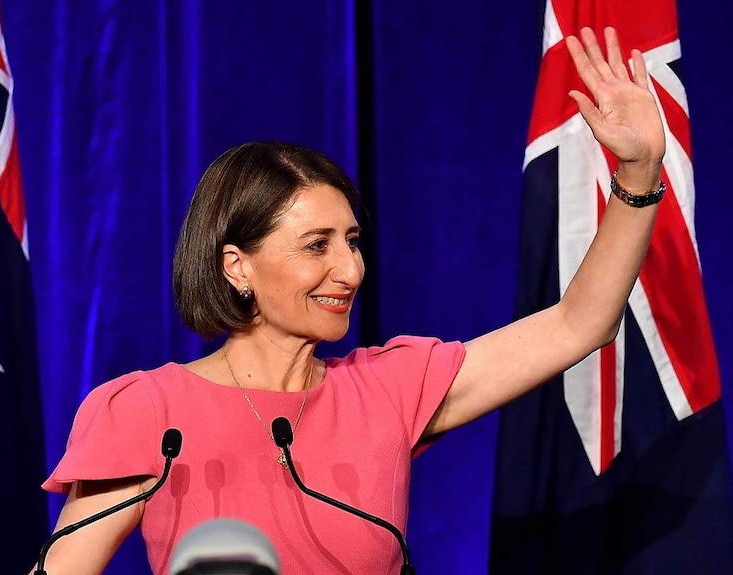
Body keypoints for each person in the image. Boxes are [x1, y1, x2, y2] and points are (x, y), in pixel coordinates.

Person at [35, 27, 666, 574]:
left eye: (353, 241)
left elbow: (578, 324)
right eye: (316, 246)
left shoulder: (388, 390)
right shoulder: (148, 412)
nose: (350, 269)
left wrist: (639, 173)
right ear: (238, 266)